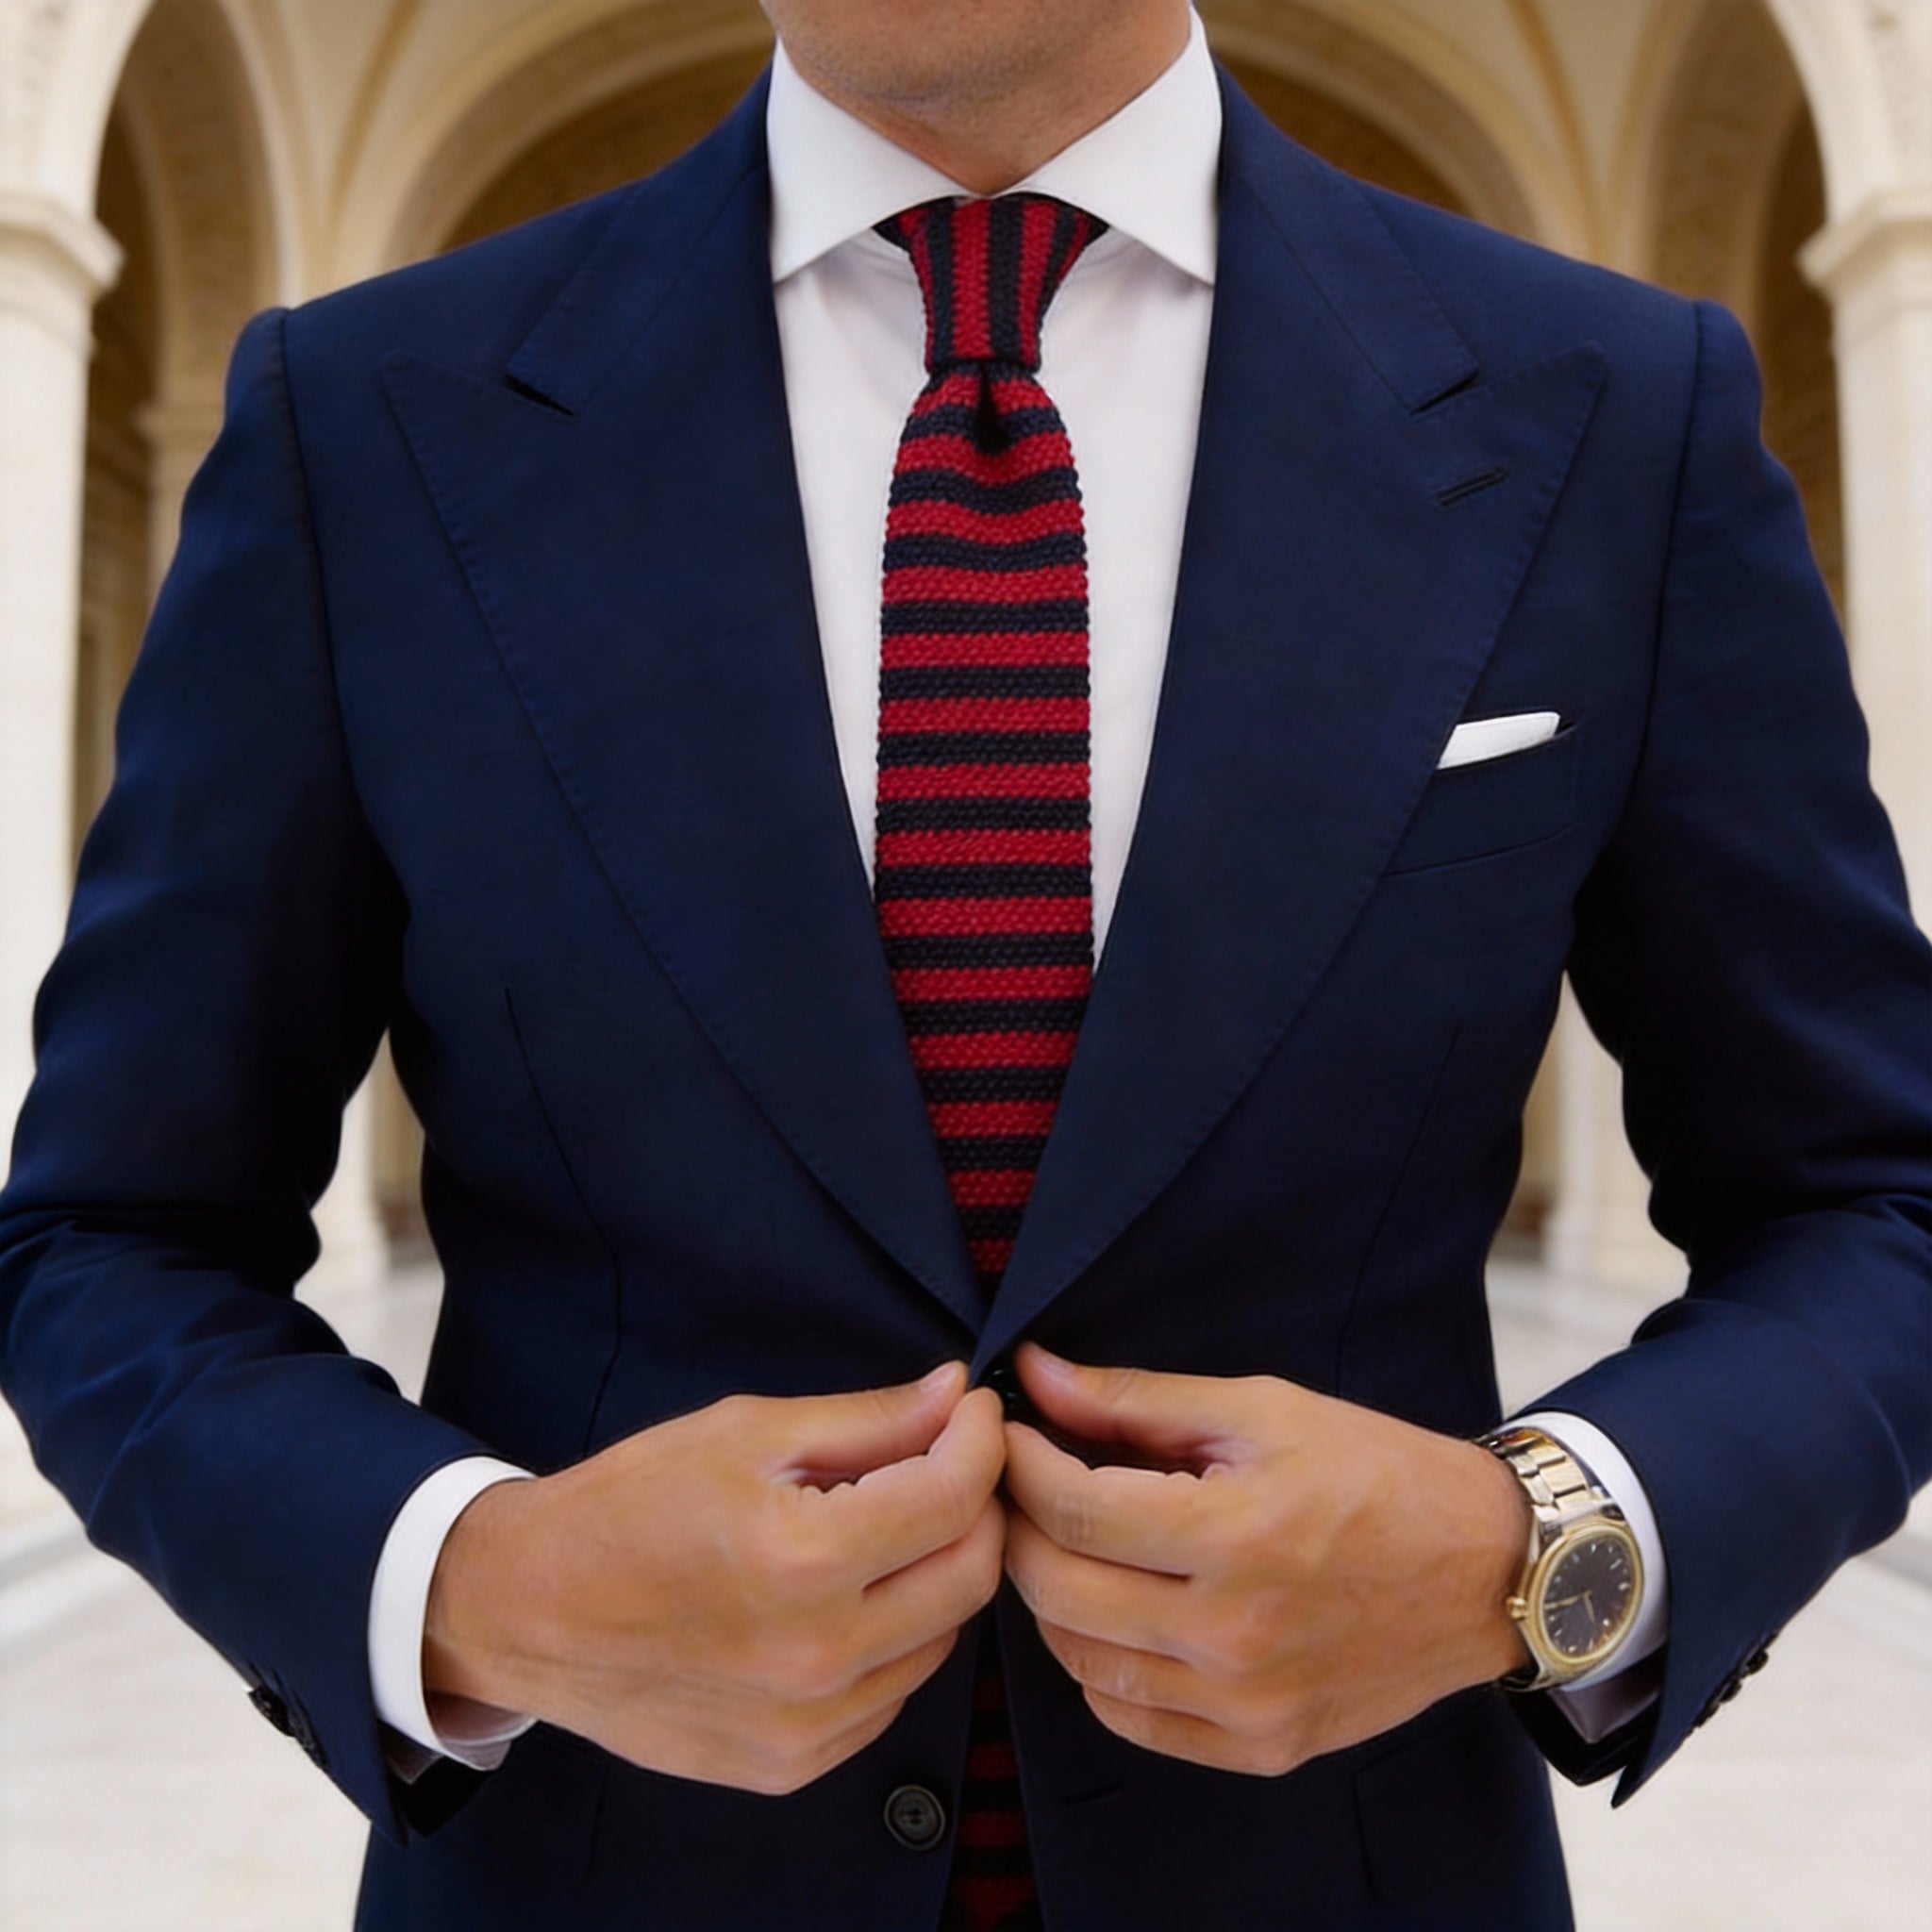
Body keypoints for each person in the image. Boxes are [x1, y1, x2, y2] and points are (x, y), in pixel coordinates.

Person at [2, 2, 1928, 1927]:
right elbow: (112, 1234)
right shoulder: (366, 423)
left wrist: (1536, 1542)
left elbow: (1872, 1197)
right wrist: (477, 1585)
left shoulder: (1610, 406)